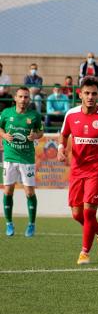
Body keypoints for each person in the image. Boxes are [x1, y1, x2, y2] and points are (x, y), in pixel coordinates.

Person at [57, 77, 98, 265]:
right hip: (77, 169)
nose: (90, 97)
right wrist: (60, 149)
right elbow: (63, 135)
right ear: (80, 94)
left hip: (97, 169)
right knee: (77, 214)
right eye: (87, 93)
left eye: (94, 93)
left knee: (88, 213)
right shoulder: (71, 115)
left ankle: (84, 253)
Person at [0, 87, 44, 237]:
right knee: (7, 191)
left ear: (29, 99)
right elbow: (0, 128)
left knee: (29, 192)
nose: (23, 100)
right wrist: (4, 135)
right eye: (20, 97)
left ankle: (31, 224)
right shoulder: (6, 113)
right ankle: (9, 223)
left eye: (26, 97)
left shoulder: (35, 115)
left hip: (27, 159)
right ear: (15, 98)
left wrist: (35, 136)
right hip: (10, 158)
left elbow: (41, 131)